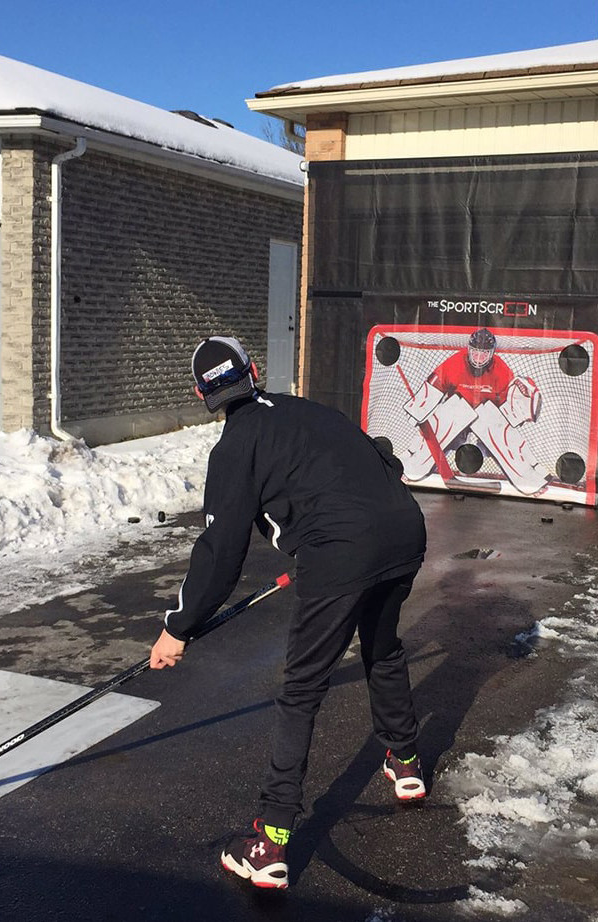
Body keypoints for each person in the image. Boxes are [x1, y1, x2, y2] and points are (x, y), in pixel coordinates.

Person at [149, 335, 427, 890]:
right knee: (383, 647)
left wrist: (177, 628)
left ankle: (270, 839)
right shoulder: (308, 409)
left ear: (201, 393)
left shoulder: (234, 448)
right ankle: (406, 764)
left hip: (342, 552)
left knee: (301, 689)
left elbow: (220, 552)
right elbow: (383, 455)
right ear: (253, 370)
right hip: (403, 531)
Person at [400, 328, 549, 495]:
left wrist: (522, 406)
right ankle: (410, 467)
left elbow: (507, 412)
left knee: (501, 429)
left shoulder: (501, 370)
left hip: (483, 433)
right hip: (455, 428)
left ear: (491, 353)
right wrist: (417, 411)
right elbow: (431, 389)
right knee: (442, 417)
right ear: (469, 349)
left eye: (484, 354)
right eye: (475, 353)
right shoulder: (454, 362)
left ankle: (529, 478)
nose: (478, 359)